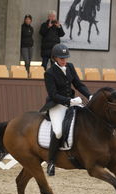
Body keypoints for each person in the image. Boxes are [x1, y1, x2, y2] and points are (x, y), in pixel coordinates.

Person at [39, 44, 92, 176]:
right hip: (57, 105)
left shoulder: (70, 67)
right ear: (55, 58)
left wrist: (90, 96)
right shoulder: (49, 73)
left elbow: (78, 84)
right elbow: (53, 94)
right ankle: (51, 162)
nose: (64, 60)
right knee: (57, 132)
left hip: (73, 102)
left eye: (65, 58)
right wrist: (69, 101)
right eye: (61, 58)